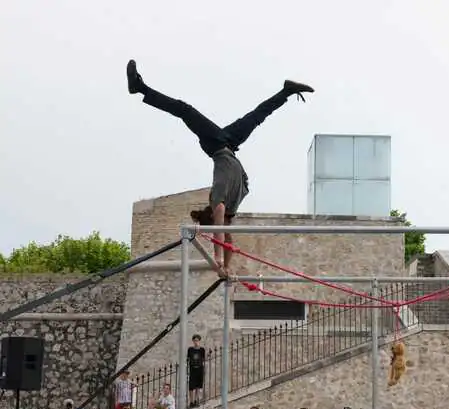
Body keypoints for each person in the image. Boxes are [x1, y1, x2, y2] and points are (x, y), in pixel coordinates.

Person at [126, 59, 314, 274]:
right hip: (229, 143)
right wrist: (226, 268)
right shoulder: (231, 211)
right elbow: (230, 244)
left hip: (216, 144)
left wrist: (218, 262)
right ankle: (286, 92)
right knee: (257, 116)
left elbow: (219, 232)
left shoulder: (219, 202)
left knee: (185, 110)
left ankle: (140, 88)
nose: (221, 224)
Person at [187, 334, 206, 408]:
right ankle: (191, 402)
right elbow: (188, 358)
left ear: (199, 341)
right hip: (192, 369)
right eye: (195, 340)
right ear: (193, 341)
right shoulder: (190, 349)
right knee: (191, 386)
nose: (196, 342)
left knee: (198, 386)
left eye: (197, 340)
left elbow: (203, 359)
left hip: (199, 369)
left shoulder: (202, 350)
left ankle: (196, 400)